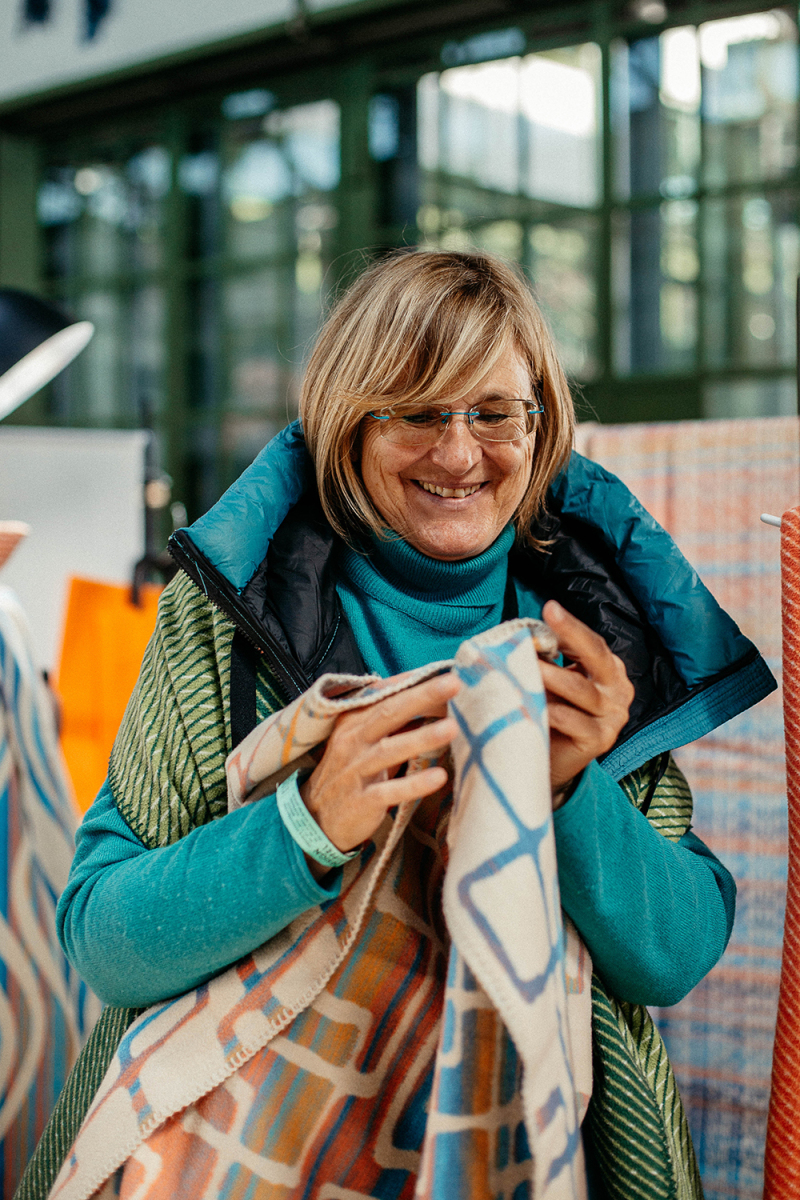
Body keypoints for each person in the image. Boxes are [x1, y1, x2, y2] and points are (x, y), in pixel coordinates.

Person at [22, 251, 774, 1200]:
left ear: (539, 424)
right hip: (254, 1148)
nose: (458, 455)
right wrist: (304, 824)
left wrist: (569, 790)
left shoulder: (599, 624)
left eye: (493, 413)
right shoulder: (224, 618)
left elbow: (674, 956)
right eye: (416, 413)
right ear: (347, 427)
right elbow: (103, 939)